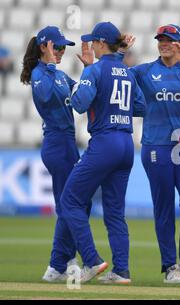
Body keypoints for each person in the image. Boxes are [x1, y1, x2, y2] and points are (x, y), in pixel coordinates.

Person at [60, 22, 147, 284]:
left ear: (100, 43)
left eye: (93, 42)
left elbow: (79, 104)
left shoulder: (94, 70)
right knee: (114, 212)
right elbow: (141, 106)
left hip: (105, 141)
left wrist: (87, 71)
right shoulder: (128, 72)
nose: (91, 47)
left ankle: (92, 260)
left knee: (70, 201)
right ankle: (121, 270)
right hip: (126, 144)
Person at [122, 24, 180, 284]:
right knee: (164, 206)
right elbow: (116, 78)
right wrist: (116, 53)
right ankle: (170, 267)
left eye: (170, 40)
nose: (164, 43)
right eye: (161, 39)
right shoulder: (145, 71)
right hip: (156, 146)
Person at [20, 26, 84, 283]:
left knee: (72, 203)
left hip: (68, 143)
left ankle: (62, 262)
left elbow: (82, 94)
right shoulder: (40, 74)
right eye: (56, 47)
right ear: (45, 47)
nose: (60, 52)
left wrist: (92, 71)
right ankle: (60, 264)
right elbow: (44, 97)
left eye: (62, 48)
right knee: (69, 204)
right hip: (57, 143)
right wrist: (47, 63)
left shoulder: (59, 75)